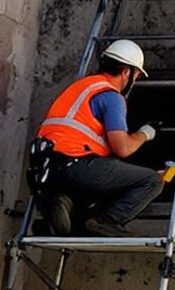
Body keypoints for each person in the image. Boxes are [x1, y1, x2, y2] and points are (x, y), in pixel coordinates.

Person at [30, 39, 164, 238]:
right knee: (151, 181)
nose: (134, 81)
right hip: (74, 165)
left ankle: (62, 205)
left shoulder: (81, 87)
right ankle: (105, 222)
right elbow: (123, 148)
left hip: (44, 171)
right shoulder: (110, 96)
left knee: (100, 178)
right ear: (126, 72)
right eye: (136, 75)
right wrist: (146, 133)